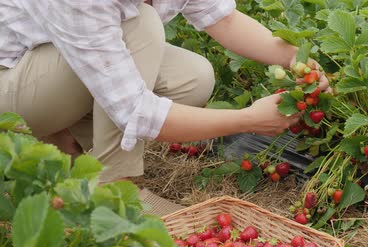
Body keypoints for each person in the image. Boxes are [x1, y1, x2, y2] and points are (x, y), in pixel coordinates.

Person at [0, 0, 330, 183]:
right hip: (10, 82)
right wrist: (249, 119)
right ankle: (114, 189)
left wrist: (298, 60)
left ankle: (67, 136)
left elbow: (224, 20)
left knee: (193, 77)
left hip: (60, 58)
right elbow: (137, 112)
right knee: (140, 24)